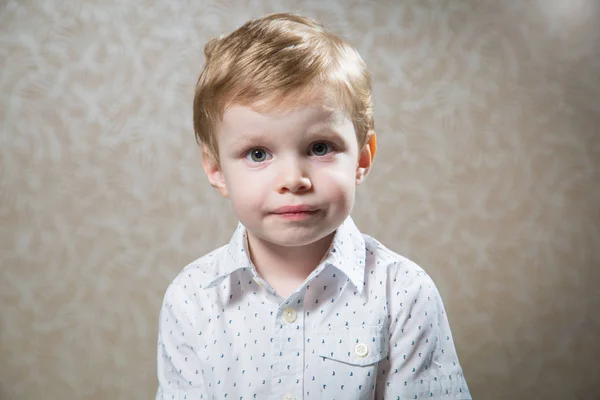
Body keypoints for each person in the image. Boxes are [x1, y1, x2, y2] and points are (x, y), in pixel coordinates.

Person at [156, 12, 471, 400]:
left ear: (362, 157)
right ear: (216, 169)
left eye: (319, 148)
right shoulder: (191, 299)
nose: (293, 179)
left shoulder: (403, 294)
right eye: (258, 153)